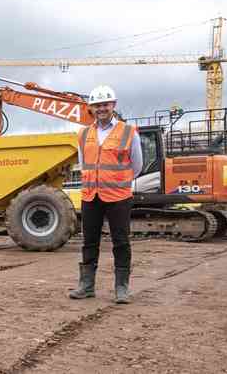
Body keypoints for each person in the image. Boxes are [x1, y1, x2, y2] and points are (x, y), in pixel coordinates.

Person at [69, 85, 142, 304]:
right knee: (89, 241)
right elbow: (84, 164)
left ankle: (121, 288)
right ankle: (86, 285)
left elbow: (136, 165)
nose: (101, 108)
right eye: (97, 105)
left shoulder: (129, 132)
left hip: (118, 196)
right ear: (91, 108)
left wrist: (118, 181)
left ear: (113, 105)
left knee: (121, 241)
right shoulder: (83, 134)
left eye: (105, 104)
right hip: (91, 195)